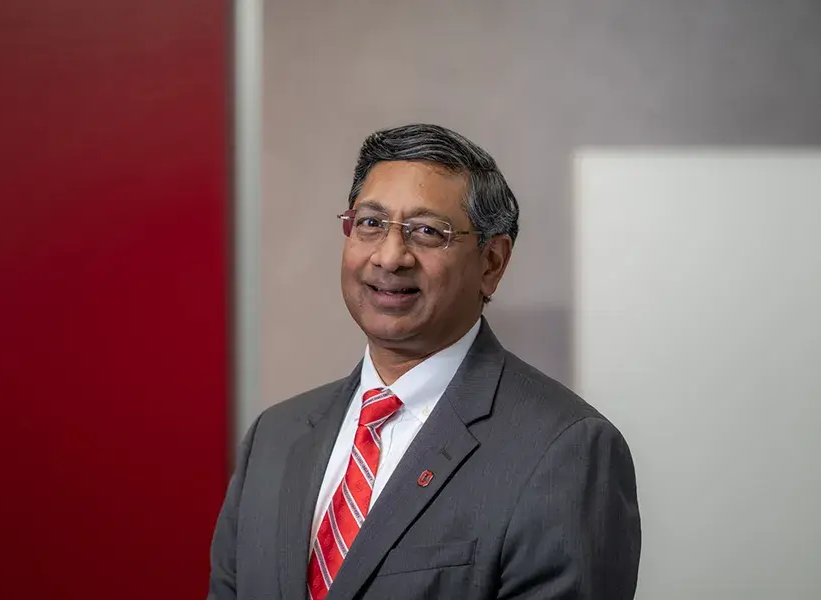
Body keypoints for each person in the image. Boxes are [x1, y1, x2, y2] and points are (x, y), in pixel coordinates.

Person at [208, 124, 640, 599]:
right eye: (371, 223)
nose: (390, 257)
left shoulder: (566, 451)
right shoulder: (275, 437)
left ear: (492, 263)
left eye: (428, 232)